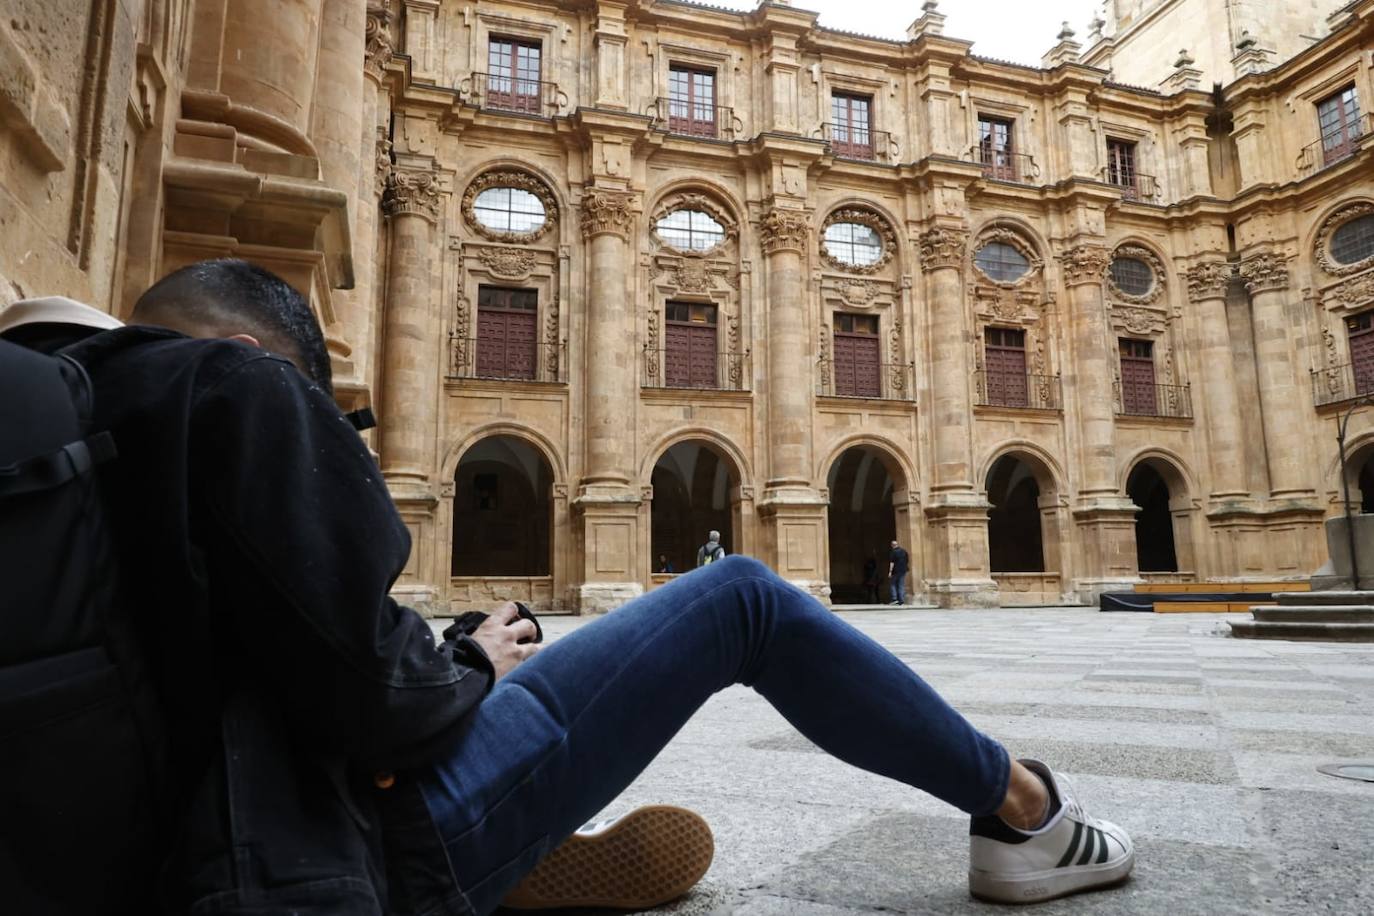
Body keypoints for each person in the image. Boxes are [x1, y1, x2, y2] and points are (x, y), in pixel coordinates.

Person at [60, 259, 1134, 913]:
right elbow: (376, 708)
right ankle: (1025, 815)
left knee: (510, 674)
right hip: (340, 860)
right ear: (250, 352)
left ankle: (528, 841)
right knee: (743, 599)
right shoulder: (228, 391)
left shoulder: (61, 432)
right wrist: (474, 657)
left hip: (199, 841)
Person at [888, 539, 910, 606]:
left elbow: (892, 563)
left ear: (892, 545)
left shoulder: (893, 552)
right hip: (903, 570)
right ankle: (902, 600)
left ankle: (894, 599)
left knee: (892, 584)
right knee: (901, 585)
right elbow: (907, 560)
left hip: (895, 571)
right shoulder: (904, 551)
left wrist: (890, 572)